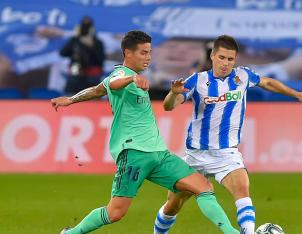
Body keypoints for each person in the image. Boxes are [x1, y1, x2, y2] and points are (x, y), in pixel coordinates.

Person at [51, 30, 239, 234]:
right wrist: (130, 80)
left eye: (149, 52)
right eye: (143, 52)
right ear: (127, 53)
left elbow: (97, 90)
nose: (148, 57)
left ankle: (232, 232)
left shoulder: (135, 76)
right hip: (134, 153)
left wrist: (71, 99)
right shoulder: (121, 74)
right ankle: (70, 233)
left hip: (159, 153)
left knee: (203, 187)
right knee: (115, 213)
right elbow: (113, 83)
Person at [153, 35, 302, 234]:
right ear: (213, 56)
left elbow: (267, 83)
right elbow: (169, 106)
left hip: (226, 154)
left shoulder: (242, 76)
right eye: (222, 58)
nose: (226, 63)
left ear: (235, 60)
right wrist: (173, 93)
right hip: (195, 155)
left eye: (230, 59)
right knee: (173, 204)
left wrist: (297, 94)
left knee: (242, 189)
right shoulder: (198, 80)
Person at [59, 16, 105, 94]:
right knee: (71, 86)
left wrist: (91, 46)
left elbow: (100, 59)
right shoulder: (74, 40)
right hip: (76, 68)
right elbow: (62, 53)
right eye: (84, 26)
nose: (85, 29)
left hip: (92, 71)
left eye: (88, 27)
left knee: (93, 89)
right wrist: (75, 38)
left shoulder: (97, 42)